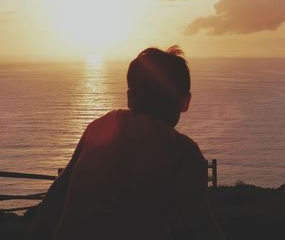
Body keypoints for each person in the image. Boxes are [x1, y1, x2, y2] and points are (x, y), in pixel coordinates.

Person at [26, 47, 226, 240]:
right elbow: (199, 224)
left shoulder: (100, 127)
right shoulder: (183, 153)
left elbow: (57, 196)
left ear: (131, 98)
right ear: (185, 102)